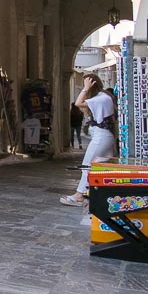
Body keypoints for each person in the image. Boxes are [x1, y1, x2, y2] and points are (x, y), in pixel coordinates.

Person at [61, 75, 117, 206]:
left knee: (87, 164)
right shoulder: (103, 97)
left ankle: (79, 195)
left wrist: (85, 88)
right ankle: (99, 193)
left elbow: (78, 103)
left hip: (101, 137)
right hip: (104, 136)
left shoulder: (101, 98)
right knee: (101, 164)